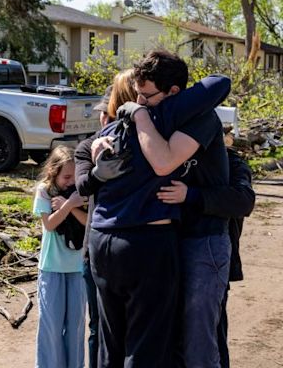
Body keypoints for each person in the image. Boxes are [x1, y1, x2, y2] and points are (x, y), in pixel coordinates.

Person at [78, 50, 231, 367]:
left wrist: (138, 116)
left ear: (174, 93)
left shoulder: (155, 118)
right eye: (135, 94)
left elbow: (221, 82)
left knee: (125, 345)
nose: (138, 100)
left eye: (146, 95)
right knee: (147, 347)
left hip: (179, 238)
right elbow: (158, 163)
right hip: (146, 244)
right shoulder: (142, 120)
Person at [157, 142, 255, 368]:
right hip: (171, 257)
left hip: (210, 260)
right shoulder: (172, 154)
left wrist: (191, 195)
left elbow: (243, 200)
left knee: (207, 340)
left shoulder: (231, 160)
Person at [76, 73, 137, 368]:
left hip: (123, 245)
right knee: (98, 328)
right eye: (102, 113)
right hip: (95, 249)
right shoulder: (88, 147)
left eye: (105, 112)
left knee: (125, 332)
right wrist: (101, 169)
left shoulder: (141, 138)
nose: (102, 118)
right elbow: (82, 186)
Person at [33, 145, 88, 368]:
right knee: (51, 328)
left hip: (77, 268)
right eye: (66, 176)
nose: (70, 182)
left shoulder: (80, 193)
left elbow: (88, 222)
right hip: (51, 268)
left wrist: (71, 205)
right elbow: (49, 224)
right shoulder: (44, 190)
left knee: (75, 327)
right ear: (53, 173)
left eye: (74, 176)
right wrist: (68, 206)